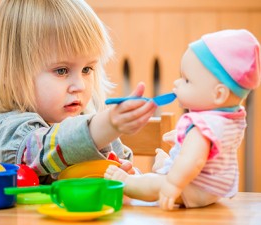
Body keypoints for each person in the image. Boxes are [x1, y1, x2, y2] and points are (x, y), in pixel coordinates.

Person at [0, 0, 157, 184]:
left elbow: (122, 167)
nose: (80, 86)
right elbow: (41, 150)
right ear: (12, 73)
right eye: (62, 70)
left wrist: (131, 176)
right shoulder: (3, 129)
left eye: (87, 69)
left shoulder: (86, 116)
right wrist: (105, 125)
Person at [105, 29, 261, 210]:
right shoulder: (231, 119)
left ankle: (127, 183)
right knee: (173, 167)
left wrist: (171, 185)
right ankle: (166, 165)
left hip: (193, 187)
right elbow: (210, 151)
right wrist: (183, 140)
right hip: (212, 189)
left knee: (154, 183)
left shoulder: (201, 127)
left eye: (187, 80)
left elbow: (193, 160)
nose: (177, 84)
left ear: (218, 94)